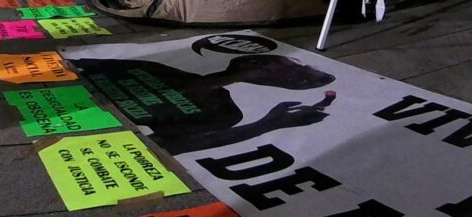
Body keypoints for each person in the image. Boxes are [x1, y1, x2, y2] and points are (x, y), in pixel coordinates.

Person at [71, 54, 335, 155]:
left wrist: (268, 124)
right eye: (292, 67)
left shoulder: (224, 113)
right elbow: (74, 66)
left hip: (85, 140)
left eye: (298, 78)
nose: (290, 72)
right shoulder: (154, 67)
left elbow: (166, 146)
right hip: (63, 112)